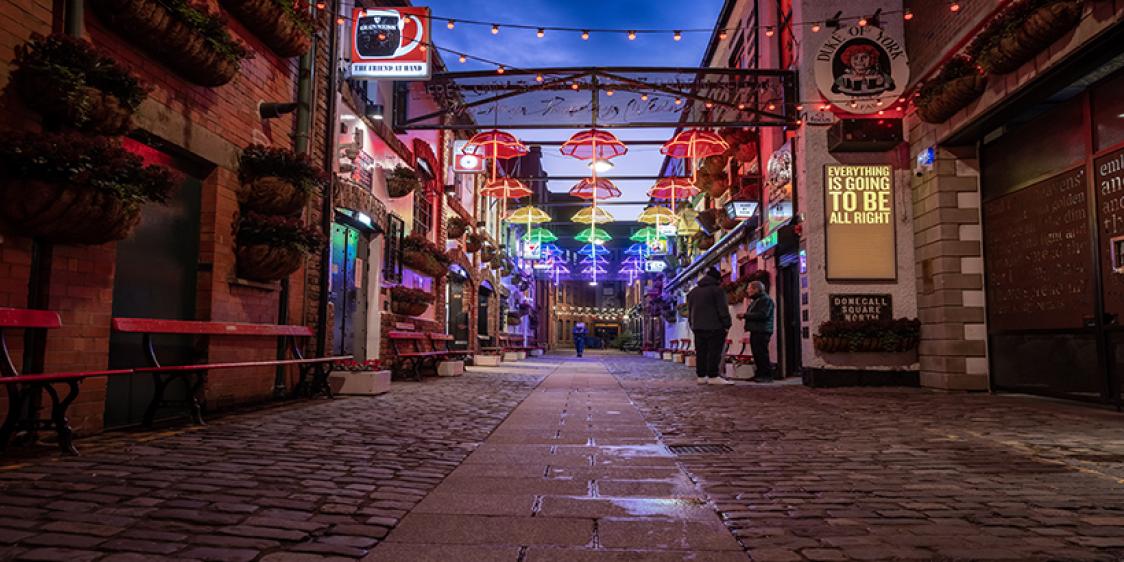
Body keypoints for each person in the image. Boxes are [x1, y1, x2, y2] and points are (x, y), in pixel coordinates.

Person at [686, 267, 733, 385]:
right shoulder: (717, 290)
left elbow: (690, 310)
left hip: (698, 327)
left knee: (701, 352)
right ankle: (713, 375)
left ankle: (701, 376)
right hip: (715, 326)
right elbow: (722, 309)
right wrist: (727, 324)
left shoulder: (693, 292)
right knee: (714, 351)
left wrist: (692, 324)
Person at [743, 281, 775, 383]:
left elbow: (763, 314)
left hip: (762, 330)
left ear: (756, 289)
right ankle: (759, 374)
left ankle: (766, 375)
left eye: (749, 288)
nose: (747, 291)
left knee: (761, 353)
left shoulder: (765, 300)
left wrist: (745, 315)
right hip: (756, 330)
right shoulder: (757, 300)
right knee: (757, 353)